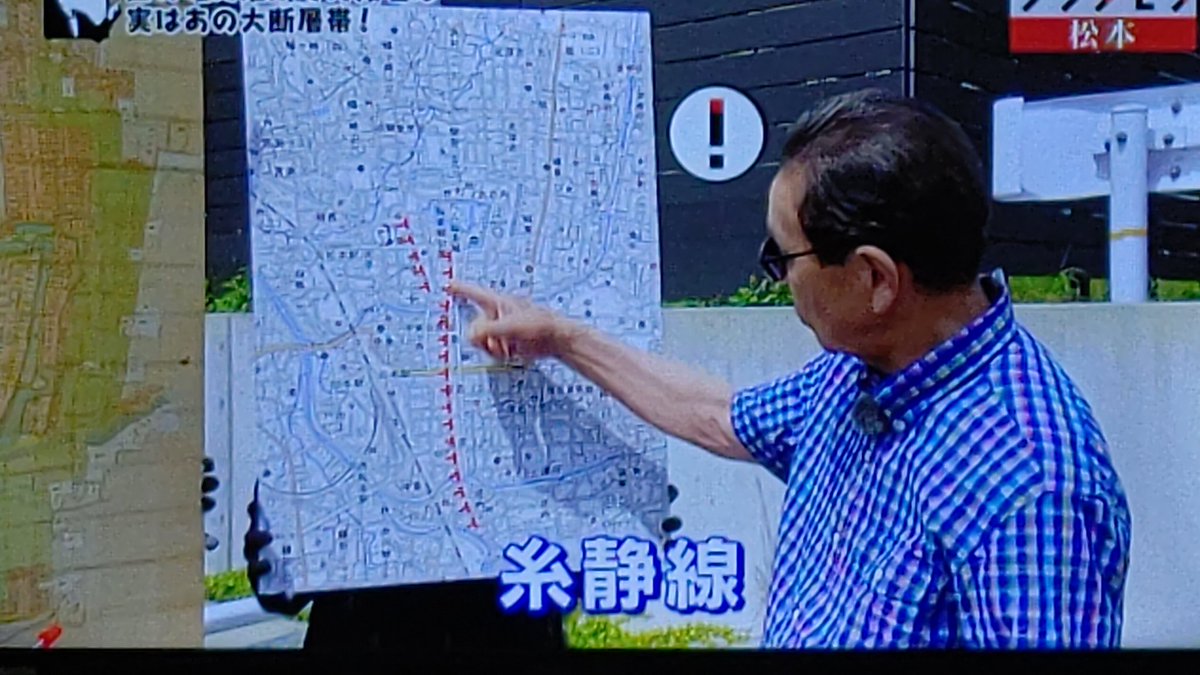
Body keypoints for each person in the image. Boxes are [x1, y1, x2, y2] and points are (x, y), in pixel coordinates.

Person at [445, 89, 1132, 649]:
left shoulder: (1031, 488)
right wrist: (562, 340)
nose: (776, 280)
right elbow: (720, 416)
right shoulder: (863, 369)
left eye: (783, 258)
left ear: (874, 279)